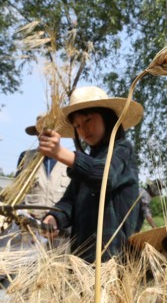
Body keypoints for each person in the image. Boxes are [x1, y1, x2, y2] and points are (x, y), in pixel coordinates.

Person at [39, 86, 144, 263]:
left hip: (113, 257)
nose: (83, 129)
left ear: (107, 118)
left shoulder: (122, 149)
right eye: (77, 126)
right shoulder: (86, 163)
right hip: (83, 259)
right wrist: (54, 217)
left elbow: (104, 176)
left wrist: (61, 154)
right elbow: (69, 201)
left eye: (88, 120)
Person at [16, 114, 71, 219]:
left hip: (58, 229)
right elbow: (17, 194)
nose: (45, 135)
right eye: (40, 131)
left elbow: (73, 199)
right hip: (30, 226)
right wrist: (24, 212)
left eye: (49, 132)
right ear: (37, 134)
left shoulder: (69, 160)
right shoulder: (26, 157)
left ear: (57, 133)